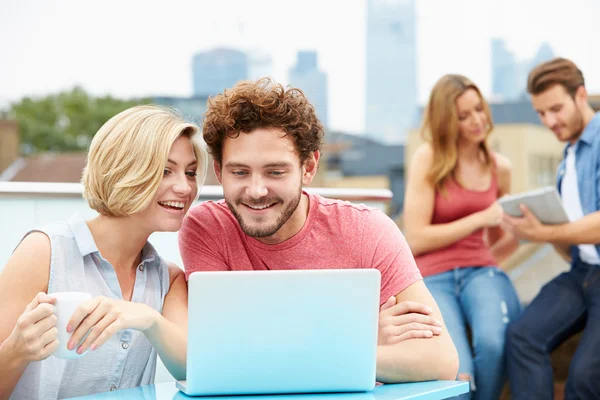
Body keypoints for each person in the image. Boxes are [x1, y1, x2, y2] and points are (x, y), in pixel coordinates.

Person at [178, 78, 459, 383]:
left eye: (275, 172)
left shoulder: (368, 230)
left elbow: (441, 359)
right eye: (240, 172)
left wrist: (294, 347)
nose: (256, 190)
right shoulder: (206, 229)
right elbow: (222, 357)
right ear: (219, 172)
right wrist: (364, 339)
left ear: (309, 168)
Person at [0, 105, 207, 399]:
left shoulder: (168, 278)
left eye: (190, 173)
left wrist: (149, 319)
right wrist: (16, 351)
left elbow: (192, 368)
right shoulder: (44, 251)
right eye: (165, 171)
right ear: (124, 169)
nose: (185, 187)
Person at [403, 74, 522, 399]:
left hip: (481, 271)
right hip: (433, 277)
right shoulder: (428, 159)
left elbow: (502, 239)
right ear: (445, 121)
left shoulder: (501, 168)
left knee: (492, 341)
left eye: (479, 110)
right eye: (463, 116)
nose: (477, 120)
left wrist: (524, 230)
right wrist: (479, 218)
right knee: (456, 366)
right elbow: (414, 238)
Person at [503, 58, 600, 399]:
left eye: (556, 109)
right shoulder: (567, 159)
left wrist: (542, 234)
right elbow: (569, 240)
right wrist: (533, 225)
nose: (549, 121)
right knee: (522, 336)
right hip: (583, 272)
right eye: (541, 113)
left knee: (585, 377)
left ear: (581, 95)